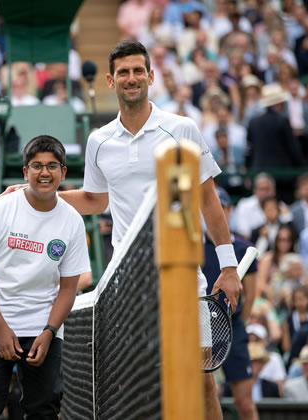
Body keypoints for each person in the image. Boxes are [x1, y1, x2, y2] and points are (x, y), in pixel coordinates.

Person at [55, 40, 241, 420]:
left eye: (139, 70)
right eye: (123, 72)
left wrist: (229, 266)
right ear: (111, 80)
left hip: (185, 277)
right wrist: (40, 195)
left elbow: (208, 201)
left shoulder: (182, 129)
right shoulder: (98, 141)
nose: (132, 78)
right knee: (129, 380)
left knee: (201, 377)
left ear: (151, 76)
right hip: (127, 284)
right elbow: (95, 199)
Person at [0, 135, 90, 419]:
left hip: (42, 327)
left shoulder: (72, 220)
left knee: (43, 410)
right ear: (25, 172)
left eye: (51, 166)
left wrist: (49, 332)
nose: (44, 173)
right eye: (36, 166)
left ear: (63, 172)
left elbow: (68, 289)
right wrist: (0, 328)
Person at [202, 187, 258, 420]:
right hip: (203, 328)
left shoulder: (243, 248)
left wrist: (233, 321)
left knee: (245, 403)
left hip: (233, 328)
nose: (221, 213)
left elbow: (251, 294)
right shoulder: (195, 246)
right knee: (205, 395)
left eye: (224, 207)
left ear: (230, 209)